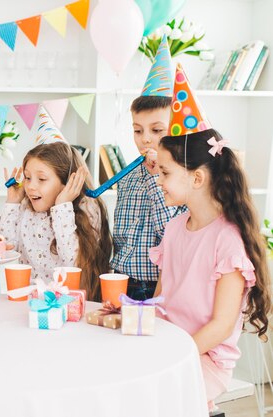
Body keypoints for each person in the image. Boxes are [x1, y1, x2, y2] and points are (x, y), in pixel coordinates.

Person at [151, 64, 271, 412]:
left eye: (166, 172)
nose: (158, 180)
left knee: (154, 397)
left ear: (198, 179)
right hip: (170, 343)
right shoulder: (175, 229)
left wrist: (174, 353)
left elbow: (219, 326)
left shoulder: (228, 241)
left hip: (204, 356)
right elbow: (162, 296)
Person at [111, 35, 183, 300]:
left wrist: (156, 178)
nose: (145, 138)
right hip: (120, 278)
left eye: (156, 130)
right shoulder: (129, 174)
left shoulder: (182, 179)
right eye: (137, 130)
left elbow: (171, 234)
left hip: (157, 285)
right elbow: (120, 232)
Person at [0, 136, 112, 302]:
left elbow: (72, 262)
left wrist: (62, 207)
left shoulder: (86, 209)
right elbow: (5, 249)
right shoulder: (26, 207)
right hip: (30, 304)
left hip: (68, 305)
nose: (30, 186)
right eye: (28, 178)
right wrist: (12, 203)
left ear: (67, 182)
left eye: (42, 179)